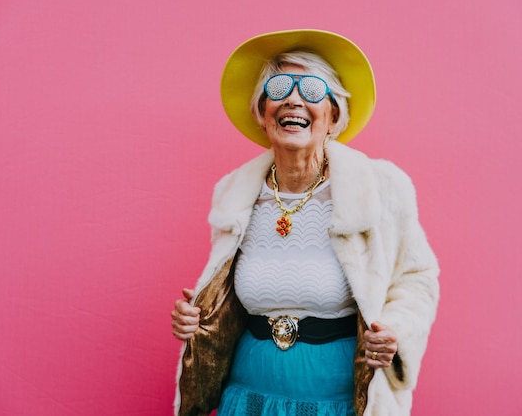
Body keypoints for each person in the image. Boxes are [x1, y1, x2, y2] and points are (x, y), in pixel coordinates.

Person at [171, 29, 440, 416]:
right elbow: (226, 299)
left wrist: (396, 328)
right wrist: (198, 319)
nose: (293, 99)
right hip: (248, 397)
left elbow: (418, 278)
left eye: (313, 89)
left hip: (338, 400)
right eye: (278, 88)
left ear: (334, 116)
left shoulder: (380, 189)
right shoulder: (234, 195)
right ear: (262, 114)